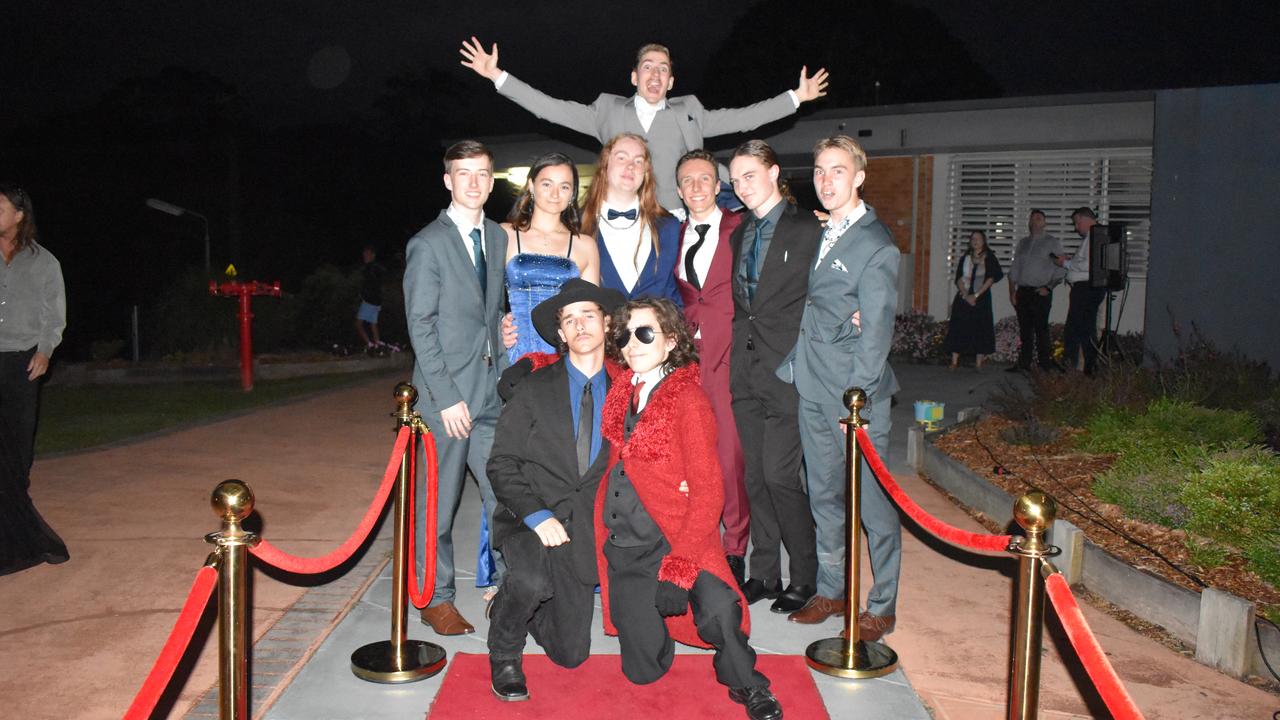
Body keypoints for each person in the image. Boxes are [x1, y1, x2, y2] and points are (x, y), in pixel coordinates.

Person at [597, 297, 782, 720]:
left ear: (671, 340)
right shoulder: (624, 387)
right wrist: (531, 361)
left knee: (719, 608)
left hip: (675, 537)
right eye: (625, 335)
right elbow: (582, 359)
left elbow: (709, 493)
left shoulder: (688, 399)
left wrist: (679, 568)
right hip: (626, 546)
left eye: (646, 333)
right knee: (642, 671)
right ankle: (649, 620)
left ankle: (748, 684)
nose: (633, 344)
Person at [459, 38, 829, 212]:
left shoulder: (690, 112)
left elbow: (744, 117)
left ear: (671, 83)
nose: (655, 74)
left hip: (682, 216)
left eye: (663, 69)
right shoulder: (605, 111)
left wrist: (794, 97)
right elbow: (549, 108)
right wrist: (498, 77)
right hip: (626, 218)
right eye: (648, 67)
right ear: (635, 77)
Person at [784, 135, 901, 644]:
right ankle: (833, 591)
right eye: (819, 170)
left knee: (873, 506)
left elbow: (875, 334)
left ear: (858, 176)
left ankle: (882, 605)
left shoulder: (876, 245)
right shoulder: (819, 231)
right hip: (811, 381)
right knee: (825, 497)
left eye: (838, 171)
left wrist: (858, 401)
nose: (827, 180)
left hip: (855, 397)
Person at [485, 278, 624, 701]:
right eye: (569, 319)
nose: (579, 325)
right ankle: (504, 651)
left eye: (588, 315)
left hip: (585, 529)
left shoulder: (628, 392)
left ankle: (509, 602)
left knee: (571, 654)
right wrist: (536, 514)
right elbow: (501, 463)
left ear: (605, 323)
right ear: (560, 334)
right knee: (528, 579)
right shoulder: (531, 389)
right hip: (530, 518)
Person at [403, 140, 509, 636]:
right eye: (463, 173)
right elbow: (420, 325)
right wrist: (445, 398)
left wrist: (501, 336)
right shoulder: (428, 243)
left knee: (503, 493)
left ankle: (511, 586)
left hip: (490, 392)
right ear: (448, 180)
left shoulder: (496, 236)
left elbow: (487, 313)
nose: (473, 182)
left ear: (491, 181)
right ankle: (434, 597)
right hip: (446, 398)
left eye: (482, 173)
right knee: (437, 506)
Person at [727, 139, 818, 614]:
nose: (742, 186)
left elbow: (825, 293)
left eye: (750, 175)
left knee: (782, 476)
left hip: (789, 372)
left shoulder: (807, 229)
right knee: (755, 478)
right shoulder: (740, 233)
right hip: (746, 373)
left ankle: (806, 574)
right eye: (736, 179)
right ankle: (765, 571)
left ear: (773, 173)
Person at [673, 150, 748, 584]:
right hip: (686, 357)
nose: (697, 187)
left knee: (730, 453)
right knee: (690, 452)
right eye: (688, 181)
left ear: (719, 186)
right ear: (679, 190)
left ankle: (735, 546)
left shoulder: (742, 228)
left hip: (730, 353)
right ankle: (694, 540)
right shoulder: (673, 233)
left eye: (705, 179)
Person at [0, 183, 70, 576]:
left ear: (20, 215)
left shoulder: (44, 263)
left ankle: (20, 532)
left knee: (18, 449)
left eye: (0, 208)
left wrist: (45, 351)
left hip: (23, 363)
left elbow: (54, 315)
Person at [501, 152, 601, 364]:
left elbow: (592, 314)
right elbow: (481, 298)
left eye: (564, 186)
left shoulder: (585, 245)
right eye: (547, 184)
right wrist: (498, 323)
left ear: (572, 193)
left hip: (564, 356)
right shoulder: (505, 234)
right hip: (514, 352)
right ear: (531, 185)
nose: (555, 194)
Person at [580, 133, 683, 306]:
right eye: (621, 158)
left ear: (646, 172)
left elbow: (673, 293)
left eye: (638, 161)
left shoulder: (669, 227)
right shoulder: (576, 226)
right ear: (605, 165)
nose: (630, 166)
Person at [1007, 209, 1065, 372]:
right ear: (1029, 223)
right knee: (1025, 329)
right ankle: (1024, 363)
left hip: (1040, 292)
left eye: (1039, 218)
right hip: (1023, 292)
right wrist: (1012, 292)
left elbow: (1060, 270)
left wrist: (1048, 287)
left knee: (1041, 329)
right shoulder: (1023, 243)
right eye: (1033, 218)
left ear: (1045, 223)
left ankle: (1044, 364)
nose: (1035, 221)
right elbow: (1014, 270)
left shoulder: (1052, 243)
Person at [942, 230, 1004, 370]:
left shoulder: (989, 257)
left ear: (984, 241)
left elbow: (991, 278)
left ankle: (979, 362)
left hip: (981, 297)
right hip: (964, 296)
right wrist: (965, 294)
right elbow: (959, 278)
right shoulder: (966, 258)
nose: (975, 241)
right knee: (958, 326)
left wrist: (975, 296)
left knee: (980, 328)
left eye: (979, 238)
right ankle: (954, 361)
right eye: (973, 239)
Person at [1058, 206, 1108, 373]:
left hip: (1087, 289)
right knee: (1080, 328)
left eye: (1077, 223)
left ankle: (1083, 367)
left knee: (1081, 328)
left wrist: (1067, 263)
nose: (1076, 227)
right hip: (1085, 289)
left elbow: (1090, 265)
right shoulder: (1091, 237)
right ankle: (1080, 366)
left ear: (1084, 219)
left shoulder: (1096, 236)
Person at [354, 244, 387, 352]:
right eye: (364, 255)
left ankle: (369, 344)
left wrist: (364, 296)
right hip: (377, 301)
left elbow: (368, 285)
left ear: (373, 255)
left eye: (367, 254)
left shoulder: (369, 268)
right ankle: (377, 342)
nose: (365, 257)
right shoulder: (377, 268)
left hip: (369, 301)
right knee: (373, 323)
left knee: (358, 324)